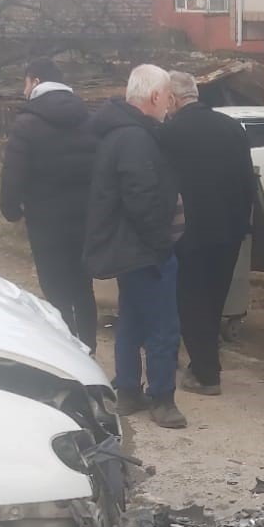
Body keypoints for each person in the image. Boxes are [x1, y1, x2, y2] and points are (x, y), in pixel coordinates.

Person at [83, 64, 186, 429]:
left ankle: (128, 389)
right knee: (162, 326)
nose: (170, 104)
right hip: (145, 250)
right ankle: (162, 398)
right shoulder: (135, 138)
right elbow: (142, 199)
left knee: (132, 319)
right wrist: (161, 245)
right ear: (155, 96)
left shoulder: (119, 132)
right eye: (168, 96)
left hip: (129, 249)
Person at [158, 70, 254, 396]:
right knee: (214, 299)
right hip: (229, 231)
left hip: (189, 232)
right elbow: (247, 181)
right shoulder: (232, 127)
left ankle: (206, 373)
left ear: (173, 98)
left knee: (190, 301)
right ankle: (206, 362)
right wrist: (241, 224)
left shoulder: (168, 133)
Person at [1, 58, 99, 349]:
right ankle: (89, 348)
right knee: (83, 287)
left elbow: (13, 175)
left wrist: (11, 210)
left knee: (55, 290)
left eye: (25, 83)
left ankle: (68, 351)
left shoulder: (26, 123)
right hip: (84, 219)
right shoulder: (88, 118)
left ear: (35, 80)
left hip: (46, 224)